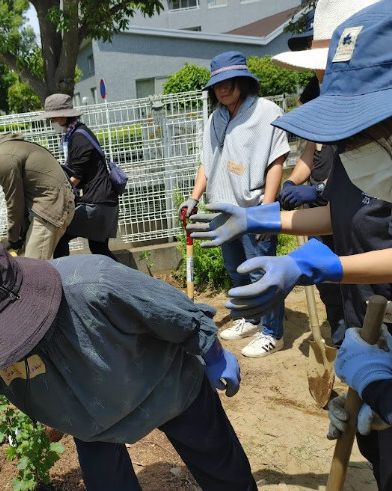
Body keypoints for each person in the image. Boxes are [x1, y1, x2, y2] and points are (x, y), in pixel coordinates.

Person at [186, 2, 392, 486]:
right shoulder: (363, 149)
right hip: (374, 335)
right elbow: (347, 212)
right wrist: (266, 218)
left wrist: (327, 268)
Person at [0, 235, 255, 491]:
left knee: (224, 471)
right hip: (91, 426)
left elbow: (171, 312)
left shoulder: (93, 283)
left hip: (168, 386)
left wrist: (214, 355)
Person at [270, 0, 379, 346]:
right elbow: (350, 214)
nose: (323, 82)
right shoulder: (355, 150)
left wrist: (338, 268)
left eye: (327, 71)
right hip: (370, 320)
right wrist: (269, 220)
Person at [178, 51, 289, 358]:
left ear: (243, 81)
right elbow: (208, 161)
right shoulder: (216, 117)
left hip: (253, 209)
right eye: (217, 85)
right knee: (237, 271)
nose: (223, 89)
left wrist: (267, 209)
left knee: (261, 274)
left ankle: (272, 332)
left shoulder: (267, 112)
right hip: (222, 211)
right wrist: (195, 196)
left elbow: (276, 160)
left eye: (229, 83)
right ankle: (250, 319)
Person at [0, 126, 75, 260]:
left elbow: (14, 202)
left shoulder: (2, 158)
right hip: (52, 203)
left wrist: (13, 238)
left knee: (32, 268)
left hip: (50, 209)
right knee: (29, 260)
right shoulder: (4, 145)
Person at [42, 93, 120, 261]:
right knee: (99, 248)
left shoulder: (78, 137)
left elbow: (76, 177)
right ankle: (125, 281)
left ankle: (62, 278)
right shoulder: (79, 132)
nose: (51, 122)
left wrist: (55, 197)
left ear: (63, 116)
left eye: (52, 118)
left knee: (61, 234)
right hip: (104, 201)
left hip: (97, 204)